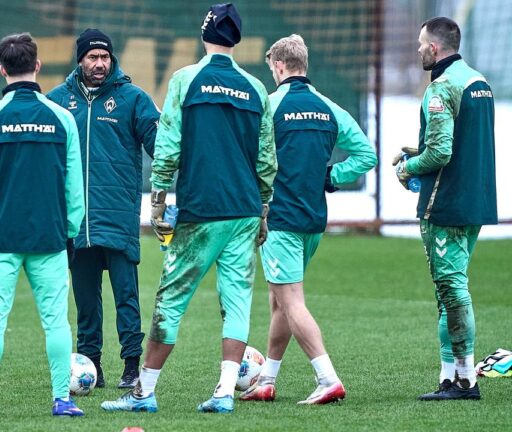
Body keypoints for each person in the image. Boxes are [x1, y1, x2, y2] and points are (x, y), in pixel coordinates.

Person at [101, 3, 276, 414]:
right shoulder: (256, 89)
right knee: (236, 302)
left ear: (205, 35)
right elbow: (266, 158)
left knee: (170, 302)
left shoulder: (186, 80)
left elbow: (169, 144)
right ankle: (225, 392)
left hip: (201, 210)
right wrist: (264, 207)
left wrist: (159, 198)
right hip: (245, 212)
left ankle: (144, 392)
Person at [239, 34, 377, 405]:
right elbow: (366, 155)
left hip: (280, 220)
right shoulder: (329, 107)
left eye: (272, 67)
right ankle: (266, 380)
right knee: (279, 300)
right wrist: (330, 178)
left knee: (292, 301)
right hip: (314, 220)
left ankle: (327, 378)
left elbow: (248, 159)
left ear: (279, 65)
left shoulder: (269, 107)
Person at [0, 32, 85, 418]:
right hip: (49, 237)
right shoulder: (61, 118)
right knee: (56, 322)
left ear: (2, 69)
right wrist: (70, 230)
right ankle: (62, 400)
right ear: (37, 66)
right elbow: (73, 187)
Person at [48, 28, 159, 389]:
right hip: (76, 222)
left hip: (119, 218)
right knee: (86, 304)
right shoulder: (56, 102)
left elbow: (163, 148)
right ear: (79, 60)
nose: (99, 63)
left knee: (127, 297)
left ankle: (131, 365)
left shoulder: (133, 99)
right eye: (92, 57)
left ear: (112, 60)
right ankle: (91, 365)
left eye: (104, 57)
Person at [393, 17, 497, 401]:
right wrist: (418, 154)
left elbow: (440, 151)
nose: (418, 49)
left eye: (421, 43)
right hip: (476, 202)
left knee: (452, 291)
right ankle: (450, 377)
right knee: (447, 291)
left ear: (434, 48)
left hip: (446, 205)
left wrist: (407, 168)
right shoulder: (479, 80)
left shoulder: (441, 87)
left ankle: (466, 381)